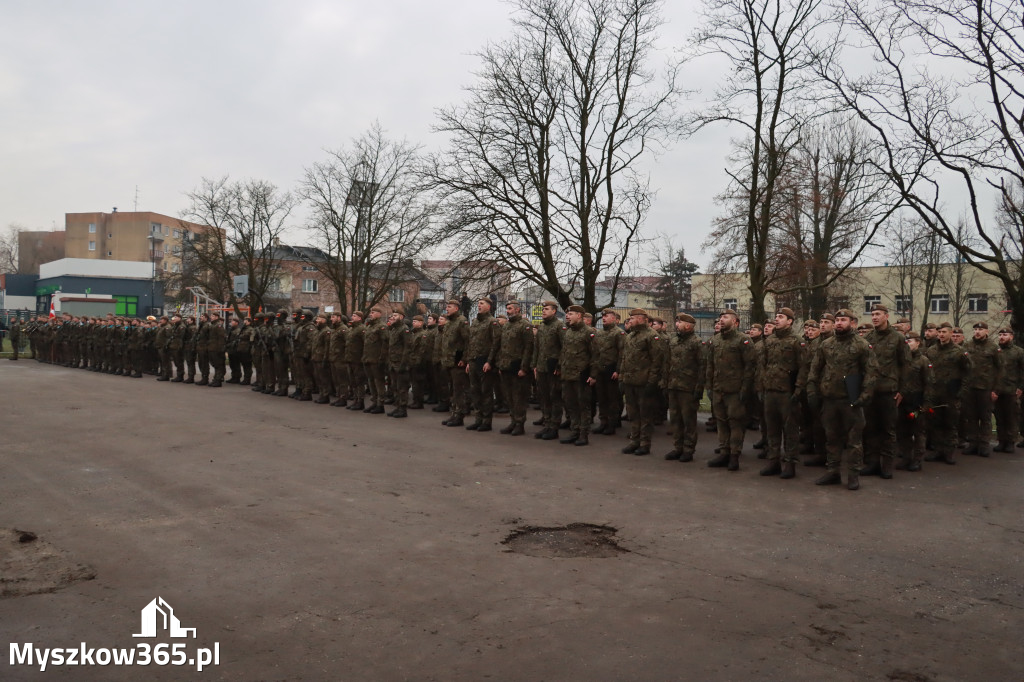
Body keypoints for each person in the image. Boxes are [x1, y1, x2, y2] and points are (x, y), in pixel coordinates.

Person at [806, 309, 878, 491]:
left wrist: (865, 395)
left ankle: (853, 475)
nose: (839, 323)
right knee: (831, 438)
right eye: (837, 320)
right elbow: (815, 369)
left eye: (843, 320)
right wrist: (812, 390)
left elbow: (871, 371)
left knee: (854, 441)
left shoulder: (862, 345)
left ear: (852, 323)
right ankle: (833, 471)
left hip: (851, 399)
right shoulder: (826, 344)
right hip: (829, 399)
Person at [863, 303, 911, 479]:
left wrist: (902, 390)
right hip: (871, 391)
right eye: (872, 314)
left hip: (889, 391)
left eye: (878, 314)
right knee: (871, 429)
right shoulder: (868, 338)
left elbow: (906, 365)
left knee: (888, 430)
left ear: (886, 316)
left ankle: (887, 466)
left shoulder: (897, 338)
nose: (874, 317)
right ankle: (873, 463)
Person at [706, 309, 755, 471]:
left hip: (735, 390)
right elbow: (710, 365)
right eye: (720, 317)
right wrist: (710, 386)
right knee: (721, 422)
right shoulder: (715, 340)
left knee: (735, 423)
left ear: (735, 322)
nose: (721, 319)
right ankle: (724, 451)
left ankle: (734, 455)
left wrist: (745, 390)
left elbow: (750, 367)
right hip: (719, 388)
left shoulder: (743, 340)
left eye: (725, 317)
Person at [758, 307, 803, 478]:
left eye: (781, 317)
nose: (777, 319)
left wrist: (798, 390)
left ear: (790, 321)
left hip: (787, 392)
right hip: (771, 391)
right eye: (776, 316)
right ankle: (773, 461)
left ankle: (790, 463)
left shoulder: (796, 341)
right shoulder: (769, 341)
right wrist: (762, 386)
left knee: (790, 430)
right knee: (772, 429)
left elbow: (803, 368)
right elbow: (763, 365)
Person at [924, 322, 970, 465]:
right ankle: (938, 450)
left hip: (951, 394)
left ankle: (949, 452)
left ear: (950, 333)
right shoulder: (931, 351)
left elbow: (968, 373)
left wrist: (962, 392)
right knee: (935, 423)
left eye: (944, 332)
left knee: (950, 424)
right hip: (935, 393)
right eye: (940, 332)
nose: (941, 335)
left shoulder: (959, 352)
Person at [661, 313, 704, 462]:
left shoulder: (696, 342)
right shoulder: (673, 342)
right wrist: (664, 382)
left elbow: (702, 367)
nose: (677, 324)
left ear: (687, 325)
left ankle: (688, 449)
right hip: (673, 386)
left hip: (688, 388)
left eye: (679, 322)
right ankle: (677, 447)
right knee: (675, 419)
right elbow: (667, 363)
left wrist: (699, 388)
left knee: (688, 421)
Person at [618, 309, 661, 456]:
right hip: (630, 381)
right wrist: (622, 377)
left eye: (633, 318)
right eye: (630, 318)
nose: (630, 320)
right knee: (633, 413)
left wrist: (652, 381)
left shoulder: (651, 335)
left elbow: (657, 361)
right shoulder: (630, 336)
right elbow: (625, 359)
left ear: (642, 319)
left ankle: (644, 443)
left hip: (643, 381)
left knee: (645, 415)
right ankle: (634, 441)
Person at [558, 305, 597, 445]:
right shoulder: (568, 332)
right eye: (567, 314)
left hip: (581, 375)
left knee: (583, 406)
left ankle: (583, 434)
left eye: (571, 314)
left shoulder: (589, 332)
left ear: (579, 316)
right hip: (568, 375)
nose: (567, 316)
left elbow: (595, 355)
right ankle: (574, 430)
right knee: (570, 404)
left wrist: (593, 375)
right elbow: (564, 352)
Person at [494, 301, 534, 436]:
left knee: (518, 397)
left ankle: (519, 423)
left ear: (517, 310)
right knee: (509, 396)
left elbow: (528, 348)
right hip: (506, 366)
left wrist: (524, 367)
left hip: (518, 367)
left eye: (510, 309)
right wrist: (500, 364)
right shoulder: (506, 326)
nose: (508, 311)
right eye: (507, 309)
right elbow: (502, 347)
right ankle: (513, 421)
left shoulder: (525, 326)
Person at [962, 322, 999, 457]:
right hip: (970, 387)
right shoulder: (967, 346)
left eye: (980, 329)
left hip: (985, 388)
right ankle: (973, 443)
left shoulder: (993, 348)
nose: (977, 332)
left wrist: (995, 389)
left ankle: (984, 445)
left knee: (985, 417)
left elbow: (1000, 369)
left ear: (986, 332)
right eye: (975, 329)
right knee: (971, 417)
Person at [896, 331, 931, 471]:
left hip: (917, 402)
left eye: (910, 341)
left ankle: (917, 459)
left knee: (918, 431)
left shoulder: (923, 360)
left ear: (918, 342)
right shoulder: (901, 360)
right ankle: (906, 457)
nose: (907, 344)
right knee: (902, 431)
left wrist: (926, 403)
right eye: (905, 342)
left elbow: (929, 383)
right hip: (902, 401)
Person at [466, 297, 501, 431]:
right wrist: (469, 360)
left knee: (485, 392)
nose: (479, 306)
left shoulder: (492, 322)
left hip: (485, 361)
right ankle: (478, 418)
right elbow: (471, 342)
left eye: (482, 304)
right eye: (478, 303)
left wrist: (489, 361)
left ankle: (486, 421)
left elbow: (495, 343)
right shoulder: (475, 322)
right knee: (475, 391)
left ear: (489, 306)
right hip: (474, 360)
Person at [533, 301, 564, 440]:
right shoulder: (542, 327)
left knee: (554, 398)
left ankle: (554, 427)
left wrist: (559, 366)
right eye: (543, 309)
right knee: (544, 397)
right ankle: (547, 424)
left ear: (554, 311)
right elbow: (537, 348)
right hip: (541, 367)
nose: (543, 311)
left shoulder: (559, 326)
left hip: (553, 368)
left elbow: (565, 348)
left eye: (546, 309)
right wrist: (534, 365)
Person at [440, 299, 472, 427]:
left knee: (459, 390)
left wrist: (464, 359)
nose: (447, 309)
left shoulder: (461, 322)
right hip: (448, 361)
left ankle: (459, 416)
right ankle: (453, 414)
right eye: (446, 306)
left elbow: (468, 341)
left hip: (457, 361)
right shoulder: (448, 323)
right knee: (452, 390)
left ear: (456, 309)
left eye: (449, 307)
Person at [593, 310, 625, 436]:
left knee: (612, 399)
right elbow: (596, 353)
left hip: (611, 370)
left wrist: (618, 370)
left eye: (606, 316)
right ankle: (603, 422)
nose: (603, 318)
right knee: (601, 398)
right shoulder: (600, 333)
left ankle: (612, 423)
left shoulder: (618, 333)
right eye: (603, 316)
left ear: (613, 318)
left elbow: (622, 353)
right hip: (601, 370)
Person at [993, 327, 1024, 452]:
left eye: (1005, 334)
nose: (1002, 337)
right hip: (998, 390)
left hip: (1012, 390)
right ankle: (1002, 441)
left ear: (1011, 336)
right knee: (999, 417)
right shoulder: (996, 351)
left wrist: (1021, 387)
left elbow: (1023, 371)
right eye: (1000, 334)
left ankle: (1011, 442)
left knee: (1011, 417)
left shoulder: (1019, 352)